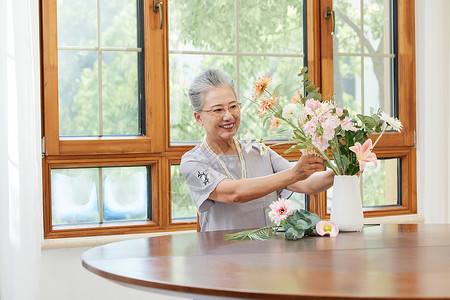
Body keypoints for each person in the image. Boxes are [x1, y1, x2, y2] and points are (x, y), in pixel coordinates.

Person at [180, 68, 334, 231]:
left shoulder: (260, 151)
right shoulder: (193, 163)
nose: (229, 116)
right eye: (218, 110)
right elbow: (234, 193)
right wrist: (295, 173)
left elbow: (308, 184)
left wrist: (344, 170)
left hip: (268, 253)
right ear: (198, 118)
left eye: (233, 106)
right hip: (222, 254)